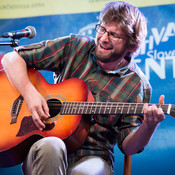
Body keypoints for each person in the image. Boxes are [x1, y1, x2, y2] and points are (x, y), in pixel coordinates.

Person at [2, 1, 165, 175]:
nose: (103, 38)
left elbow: (129, 147)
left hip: (93, 157)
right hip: (44, 146)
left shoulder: (137, 84)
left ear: (131, 45)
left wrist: (148, 126)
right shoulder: (75, 46)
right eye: (102, 29)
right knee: (52, 145)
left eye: (114, 35)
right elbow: (12, 58)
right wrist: (30, 94)